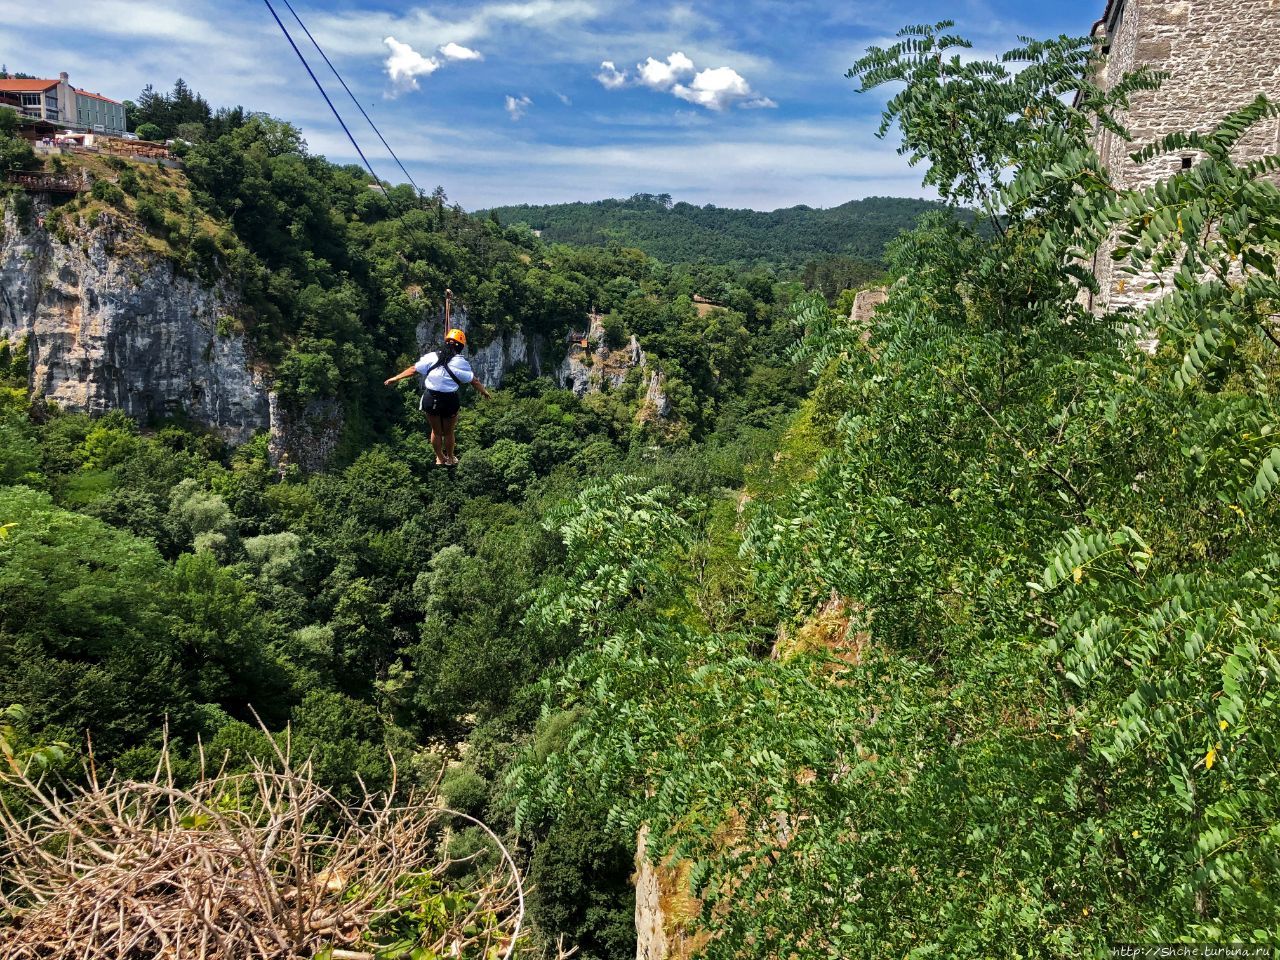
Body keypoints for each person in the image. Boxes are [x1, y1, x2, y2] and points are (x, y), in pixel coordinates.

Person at [384, 327, 491, 466]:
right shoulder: (460, 363)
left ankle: (440, 457)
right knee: (448, 432)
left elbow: (413, 369)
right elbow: (474, 381)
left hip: (431, 398)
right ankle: (451, 458)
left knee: (436, 431)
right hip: (449, 400)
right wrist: (484, 392)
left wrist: (396, 378)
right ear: (461, 347)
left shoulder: (432, 357)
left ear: (445, 343)